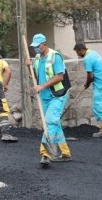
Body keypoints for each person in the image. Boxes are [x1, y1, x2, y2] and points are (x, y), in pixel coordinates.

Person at [30, 33, 72, 166]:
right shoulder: (37, 58)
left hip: (58, 94)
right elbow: (36, 74)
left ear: (44, 44)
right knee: (54, 124)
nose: (35, 48)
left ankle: (45, 153)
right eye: (34, 46)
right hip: (45, 96)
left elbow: (59, 77)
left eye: (38, 46)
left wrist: (42, 86)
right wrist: (28, 65)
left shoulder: (55, 56)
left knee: (50, 122)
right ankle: (65, 153)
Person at [73, 42, 102, 138]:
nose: (78, 55)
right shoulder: (93, 53)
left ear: (81, 50)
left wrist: (87, 84)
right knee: (98, 107)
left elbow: (90, 75)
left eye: (77, 53)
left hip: (101, 86)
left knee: (97, 108)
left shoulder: (87, 59)